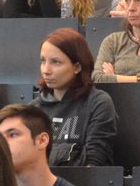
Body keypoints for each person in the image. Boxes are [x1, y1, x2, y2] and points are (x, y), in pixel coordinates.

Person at [33, 28, 117, 167]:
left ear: (77, 67)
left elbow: (94, 164)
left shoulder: (98, 103)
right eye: (43, 61)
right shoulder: (33, 110)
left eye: (56, 62)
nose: (46, 70)